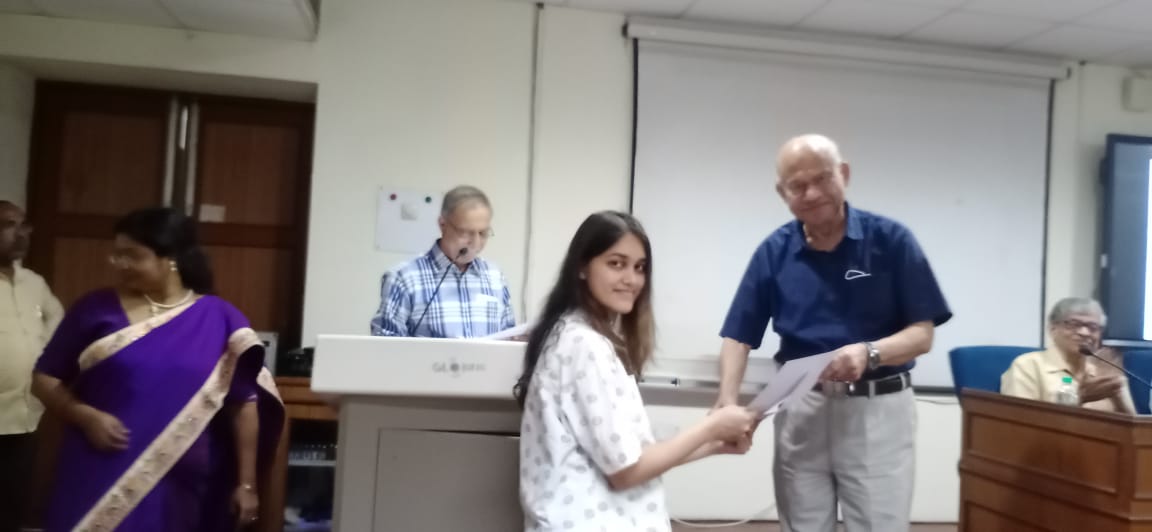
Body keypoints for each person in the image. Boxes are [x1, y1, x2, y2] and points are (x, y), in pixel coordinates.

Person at [713, 134, 952, 532]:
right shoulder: (774, 251)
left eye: (822, 178)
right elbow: (739, 334)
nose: (811, 193)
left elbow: (922, 335)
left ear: (844, 174)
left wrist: (869, 353)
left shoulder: (892, 241)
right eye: (797, 186)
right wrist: (727, 400)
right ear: (782, 193)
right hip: (801, 407)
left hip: (878, 411)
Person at [30, 207, 284, 531]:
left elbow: (242, 404)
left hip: (187, 485)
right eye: (117, 254)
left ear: (171, 258)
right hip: (99, 471)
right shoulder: (94, 309)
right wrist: (84, 416)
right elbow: (44, 378)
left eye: (132, 255)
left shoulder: (219, 318)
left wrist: (246, 484)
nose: (119, 263)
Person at [514, 210, 756, 531]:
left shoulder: (576, 335)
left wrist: (714, 445)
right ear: (582, 267)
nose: (632, 279)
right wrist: (711, 428)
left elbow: (630, 456)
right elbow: (625, 472)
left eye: (639, 267)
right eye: (616, 264)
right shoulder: (584, 345)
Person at [370, 185, 516, 338]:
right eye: (465, 233)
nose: (475, 242)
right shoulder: (403, 277)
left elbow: (509, 337)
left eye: (483, 233)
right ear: (443, 225)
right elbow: (385, 342)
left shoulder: (495, 277)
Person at [0, 201, 63, 532]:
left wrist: (41, 355)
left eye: (24, 225)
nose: (21, 234)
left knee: (13, 506)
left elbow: (58, 321)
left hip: (25, 416)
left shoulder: (33, 283)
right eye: (9, 225)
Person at [1001, 297, 1135, 413]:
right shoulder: (1028, 366)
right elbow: (1019, 421)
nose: (1084, 333)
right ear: (1052, 329)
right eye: (1073, 324)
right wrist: (1079, 398)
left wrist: (1120, 394)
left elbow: (1134, 430)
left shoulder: (1102, 372)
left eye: (1093, 327)